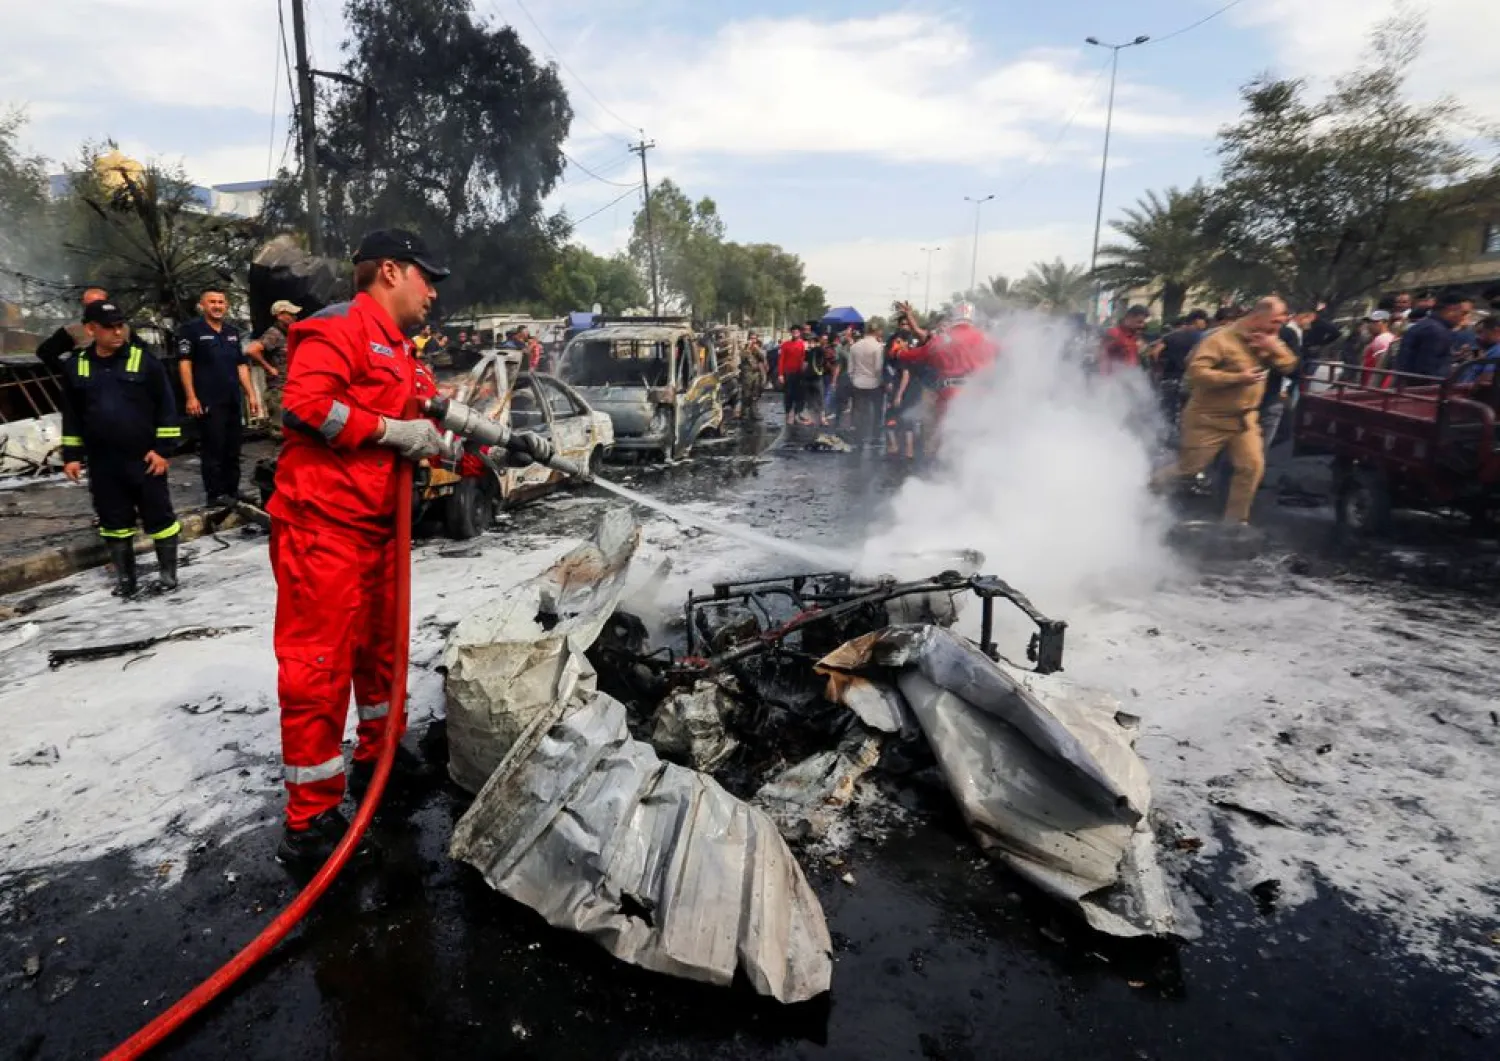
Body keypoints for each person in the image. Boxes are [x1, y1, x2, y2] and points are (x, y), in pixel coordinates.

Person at [268, 229, 555, 865]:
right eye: (428, 278)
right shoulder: (336, 328)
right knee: (319, 668)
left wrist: (498, 446)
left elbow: (432, 431)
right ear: (390, 272)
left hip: (379, 529)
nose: (434, 292)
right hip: (324, 527)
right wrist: (389, 431)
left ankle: (379, 758)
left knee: (383, 654)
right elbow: (305, 407)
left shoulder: (405, 352)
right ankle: (310, 819)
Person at [59, 301, 182, 597]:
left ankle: (168, 575)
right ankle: (126, 580)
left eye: (120, 326)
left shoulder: (144, 361)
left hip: (144, 458)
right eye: (110, 327)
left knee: (160, 518)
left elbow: (167, 407)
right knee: (114, 522)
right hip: (104, 463)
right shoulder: (77, 366)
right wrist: (72, 457)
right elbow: (72, 416)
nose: (118, 332)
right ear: (91, 329)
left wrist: (163, 450)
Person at [1152, 297, 1299, 525]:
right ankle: (1149, 489)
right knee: (1190, 468)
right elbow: (1196, 372)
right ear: (1258, 316)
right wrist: (1237, 378)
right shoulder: (1220, 339)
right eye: (1276, 321)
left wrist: (1275, 349)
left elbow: (1290, 366)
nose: (1278, 327)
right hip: (1208, 418)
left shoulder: (1269, 340)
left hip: (1244, 419)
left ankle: (1235, 523)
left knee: (1251, 467)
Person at [177, 287, 261, 504]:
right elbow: (185, 364)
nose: (217, 306)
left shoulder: (232, 332)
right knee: (214, 448)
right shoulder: (191, 330)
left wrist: (251, 395)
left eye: (221, 302)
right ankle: (215, 494)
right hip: (208, 400)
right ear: (202, 306)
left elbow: (241, 366)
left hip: (232, 398)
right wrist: (191, 396)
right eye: (212, 302)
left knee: (233, 449)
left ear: (226, 305)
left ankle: (232, 491)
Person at [892, 299, 998, 438]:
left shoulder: (941, 340)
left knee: (944, 435)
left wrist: (898, 351)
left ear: (953, 317)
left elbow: (911, 354)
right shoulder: (985, 339)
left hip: (948, 395)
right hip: (976, 395)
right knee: (975, 435)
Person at [245, 299, 301, 429]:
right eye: (290, 314)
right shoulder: (273, 333)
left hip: (290, 388)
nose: (294, 317)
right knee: (280, 429)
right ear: (280, 315)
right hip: (278, 390)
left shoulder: (287, 333)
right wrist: (269, 368)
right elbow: (251, 350)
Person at [1151, 310, 1209, 427]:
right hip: (1189, 383)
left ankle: (1163, 441)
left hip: (1169, 379)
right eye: (1204, 320)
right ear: (1197, 320)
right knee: (1186, 417)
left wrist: (1158, 369)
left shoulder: (1170, 336)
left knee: (1166, 416)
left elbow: (1154, 353)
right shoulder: (1203, 338)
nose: (1205, 324)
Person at [1396, 291, 1471, 379]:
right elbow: (1427, 371)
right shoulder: (1436, 331)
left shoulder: (1427, 325)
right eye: (1463, 313)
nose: (1464, 318)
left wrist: (1453, 357)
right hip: (1420, 389)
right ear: (1451, 309)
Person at [848, 325, 885, 446]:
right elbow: (878, 368)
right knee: (876, 411)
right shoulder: (878, 347)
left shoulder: (854, 346)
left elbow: (850, 368)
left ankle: (859, 436)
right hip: (874, 383)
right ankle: (875, 436)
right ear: (877, 332)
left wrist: (853, 379)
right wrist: (880, 381)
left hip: (858, 382)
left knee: (859, 411)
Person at [1100, 305, 1150, 374]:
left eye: (1143, 322)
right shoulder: (1114, 333)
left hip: (1131, 379)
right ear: (1128, 318)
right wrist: (1104, 381)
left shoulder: (1135, 337)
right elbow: (1102, 357)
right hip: (1114, 380)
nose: (1142, 325)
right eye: (1139, 322)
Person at [778, 326, 809, 426]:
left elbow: (806, 358)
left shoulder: (804, 344)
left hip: (800, 373)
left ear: (800, 333)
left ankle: (797, 414)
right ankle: (787, 415)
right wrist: (780, 374)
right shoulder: (785, 344)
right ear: (791, 333)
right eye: (793, 331)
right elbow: (781, 360)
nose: (795, 333)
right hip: (789, 373)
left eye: (797, 331)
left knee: (800, 395)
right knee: (788, 395)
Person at [1360, 311, 1397, 387]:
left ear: (1385, 323)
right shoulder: (1379, 338)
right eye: (1369, 322)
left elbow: (1382, 365)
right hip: (1369, 382)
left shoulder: (1383, 338)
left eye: (1375, 322)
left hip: (1374, 384)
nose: (1370, 325)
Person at [739, 333, 768, 420]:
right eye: (751, 338)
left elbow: (763, 358)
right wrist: (748, 349)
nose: (753, 340)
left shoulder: (758, 349)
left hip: (756, 374)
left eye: (754, 338)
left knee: (755, 393)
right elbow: (742, 358)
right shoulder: (744, 349)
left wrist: (757, 349)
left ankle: (753, 412)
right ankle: (744, 413)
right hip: (747, 374)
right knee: (746, 394)